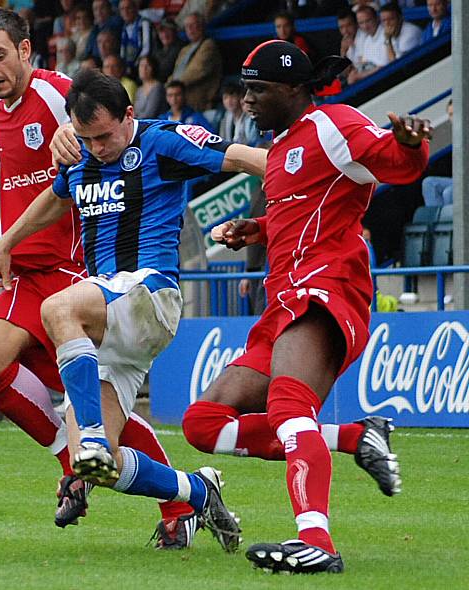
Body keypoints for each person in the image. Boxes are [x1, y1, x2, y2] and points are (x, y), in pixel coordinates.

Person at [0, 68, 274, 551]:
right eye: (85, 138)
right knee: (92, 463)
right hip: (112, 317)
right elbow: (54, 201)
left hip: (149, 293)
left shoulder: (162, 142)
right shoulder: (81, 157)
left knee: (57, 308)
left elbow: (241, 157)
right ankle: (197, 491)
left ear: (129, 115)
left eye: (103, 136)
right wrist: (6, 243)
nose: (96, 148)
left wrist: (309, 172)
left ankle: (95, 433)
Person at [183, 40, 430, 574]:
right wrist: (261, 228)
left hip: (327, 289)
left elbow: (394, 164)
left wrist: (409, 147)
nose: (246, 100)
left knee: (290, 413)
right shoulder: (279, 154)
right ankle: (353, 436)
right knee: (202, 423)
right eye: (244, 88)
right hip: (284, 300)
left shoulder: (333, 125)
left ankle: (316, 542)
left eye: (259, 89)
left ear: (295, 88)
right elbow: (310, 209)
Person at [0, 8, 198, 544]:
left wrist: (67, 131)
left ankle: (174, 504)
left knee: (93, 404)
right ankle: (71, 463)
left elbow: (99, 110)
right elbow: (21, 181)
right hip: (24, 272)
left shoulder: (56, 93)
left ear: (26, 51)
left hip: (71, 270)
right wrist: (3, 243)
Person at [169, 12, 221, 112]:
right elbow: (175, 72)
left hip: (199, 103)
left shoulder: (208, 45)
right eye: (187, 26)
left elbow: (196, 71)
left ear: (201, 26)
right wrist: (168, 85)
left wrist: (173, 86)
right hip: (180, 102)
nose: (190, 29)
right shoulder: (185, 49)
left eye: (193, 25)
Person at [133, 55, 166, 119]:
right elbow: (135, 111)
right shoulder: (139, 90)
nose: (144, 69)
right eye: (141, 66)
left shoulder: (157, 87)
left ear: (153, 68)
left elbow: (150, 114)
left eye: (147, 66)